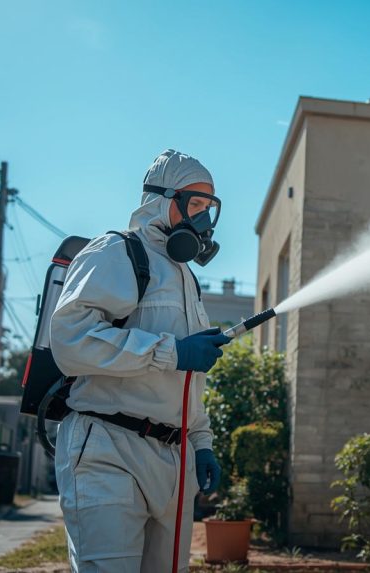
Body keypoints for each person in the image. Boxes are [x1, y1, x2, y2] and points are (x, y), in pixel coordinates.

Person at [50, 149, 231, 572]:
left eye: (208, 207)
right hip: (108, 447)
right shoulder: (116, 252)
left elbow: (185, 384)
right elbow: (70, 340)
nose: (203, 218)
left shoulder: (187, 279)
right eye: (194, 204)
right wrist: (171, 351)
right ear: (161, 200)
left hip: (172, 459)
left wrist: (201, 443)